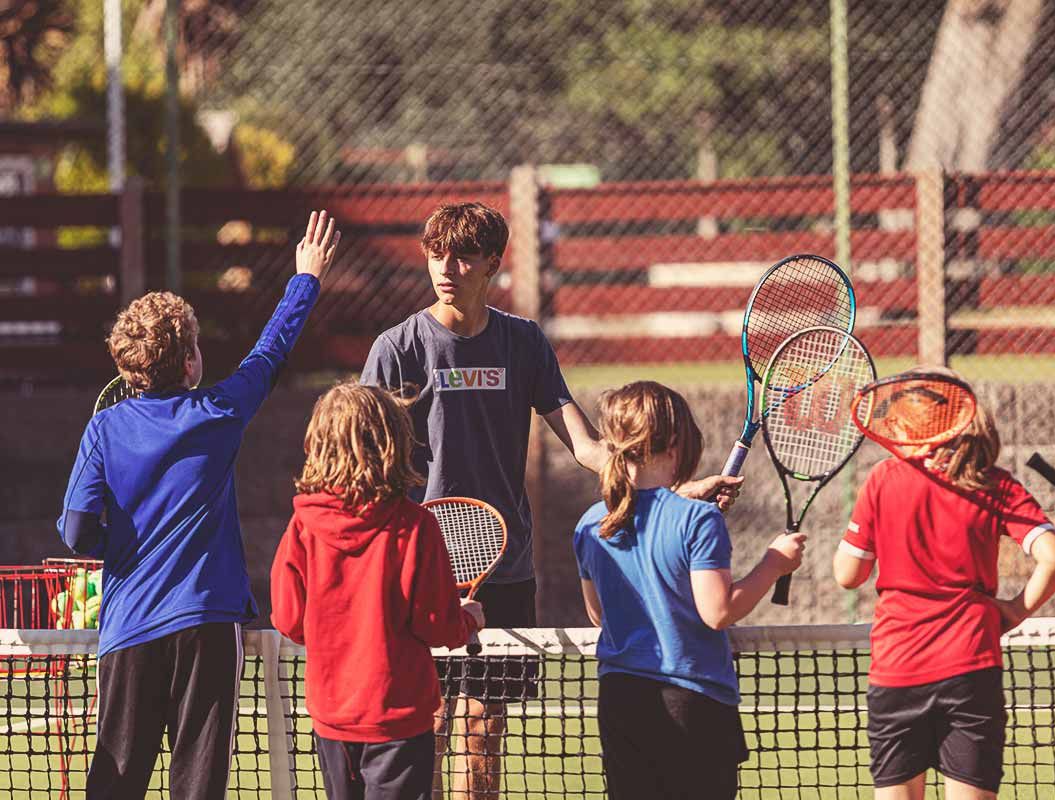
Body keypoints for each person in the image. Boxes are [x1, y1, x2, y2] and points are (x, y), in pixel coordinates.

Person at [359, 201, 742, 795]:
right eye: (436, 254)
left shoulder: (523, 343)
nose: (446, 267)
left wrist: (670, 495)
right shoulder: (397, 348)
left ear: (493, 262)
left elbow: (587, 447)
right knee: (426, 723)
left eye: (462, 256)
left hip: (506, 567)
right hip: (420, 565)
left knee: (483, 730)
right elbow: (362, 458)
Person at [57, 211, 341, 799]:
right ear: (189, 361)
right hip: (208, 626)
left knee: (114, 786)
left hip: (129, 628)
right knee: (198, 786)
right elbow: (269, 353)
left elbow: (76, 531)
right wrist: (305, 279)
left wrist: (122, 545)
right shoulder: (218, 412)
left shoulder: (104, 429)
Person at [832, 370, 1055, 800]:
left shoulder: (882, 479)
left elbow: (848, 575)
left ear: (910, 428)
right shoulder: (995, 483)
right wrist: (1015, 610)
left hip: (898, 668)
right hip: (972, 668)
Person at [572, 381, 805, 800]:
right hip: (693, 703)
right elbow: (719, 612)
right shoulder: (698, 520)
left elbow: (598, 615)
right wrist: (775, 562)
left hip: (621, 702)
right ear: (677, 443)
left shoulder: (590, 522)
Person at [270, 382, 485, 800]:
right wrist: (467, 619)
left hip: (332, 719)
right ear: (393, 442)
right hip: (399, 720)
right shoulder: (416, 526)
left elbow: (289, 620)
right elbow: (437, 626)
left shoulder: (301, 527)